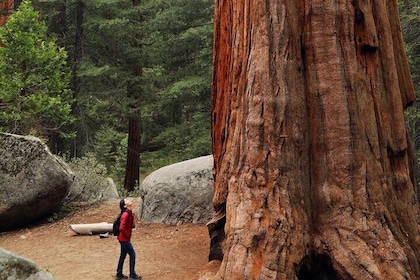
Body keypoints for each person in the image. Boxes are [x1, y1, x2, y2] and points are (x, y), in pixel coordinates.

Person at [115, 198, 141, 280]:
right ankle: (132, 275)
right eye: (126, 200)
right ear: (125, 205)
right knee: (132, 254)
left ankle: (119, 274)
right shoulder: (125, 214)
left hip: (123, 238)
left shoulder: (129, 213)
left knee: (123, 255)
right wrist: (127, 236)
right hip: (124, 239)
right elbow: (121, 228)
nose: (128, 200)